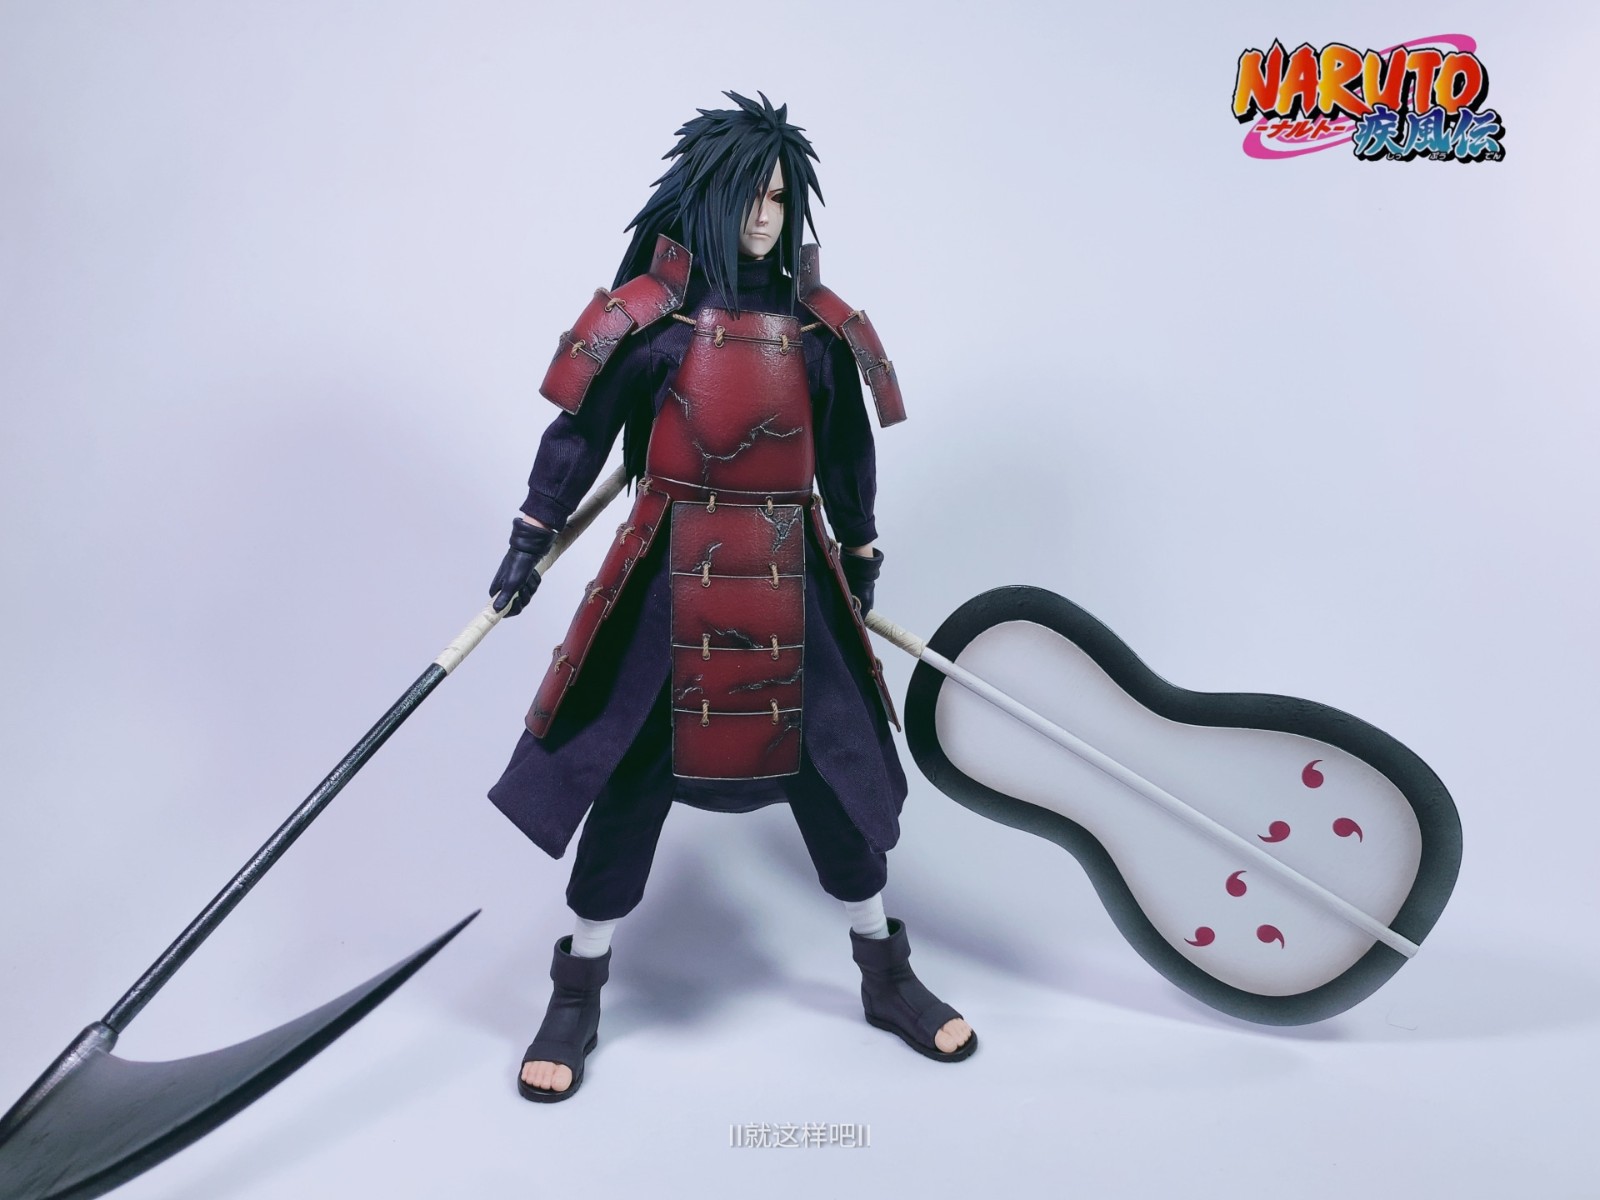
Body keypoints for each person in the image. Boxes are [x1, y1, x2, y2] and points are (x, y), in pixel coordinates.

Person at [485, 92, 974, 1103]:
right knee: (628, 781)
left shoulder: (822, 332)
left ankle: (885, 975)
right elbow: (577, 437)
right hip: (668, 578)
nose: (765, 215)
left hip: (794, 575)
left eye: (781, 198)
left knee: (836, 776)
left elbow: (847, 456)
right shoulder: (648, 324)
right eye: (750, 194)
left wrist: (861, 550)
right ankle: (576, 993)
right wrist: (530, 538)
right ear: (708, 197)